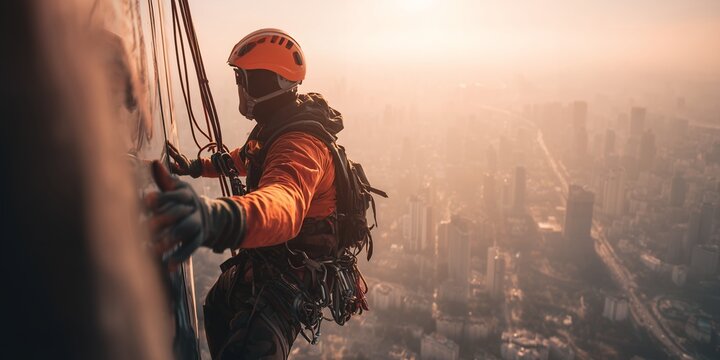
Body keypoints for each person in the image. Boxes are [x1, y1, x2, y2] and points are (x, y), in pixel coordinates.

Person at [146, 28, 371, 359]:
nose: (240, 86)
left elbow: (284, 204)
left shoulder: (300, 145)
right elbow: (246, 157)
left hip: (289, 281)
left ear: (267, 82)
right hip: (268, 262)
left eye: (244, 78)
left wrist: (215, 218)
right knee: (216, 307)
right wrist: (196, 167)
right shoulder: (276, 128)